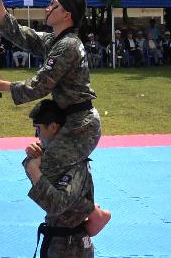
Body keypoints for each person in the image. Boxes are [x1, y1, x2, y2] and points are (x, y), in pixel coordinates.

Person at [0, 0, 109, 234]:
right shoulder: (58, 40)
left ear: (67, 15)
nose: (48, 8)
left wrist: (5, 85)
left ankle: (90, 215)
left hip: (80, 124)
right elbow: (22, 35)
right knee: (47, 165)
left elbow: (41, 84)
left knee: (42, 168)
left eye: (54, 5)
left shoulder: (67, 46)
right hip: (70, 121)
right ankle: (89, 213)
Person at [24, 99, 108, 258]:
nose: (37, 135)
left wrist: (33, 168)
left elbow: (56, 205)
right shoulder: (56, 157)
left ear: (54, 127)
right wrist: (30, 157)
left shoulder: (74, 161)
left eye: (39, 129)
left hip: (71, 247)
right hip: (57, 241)